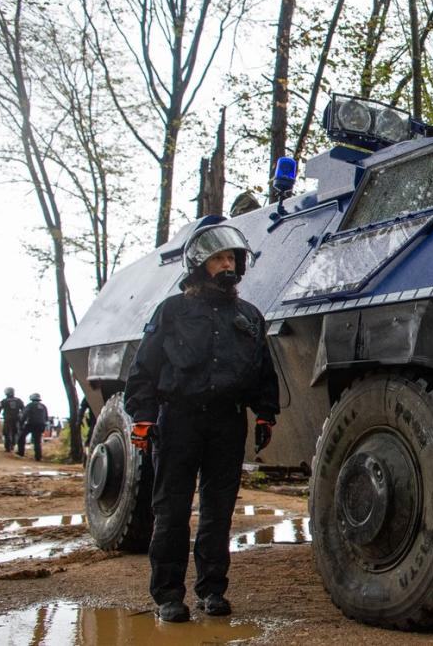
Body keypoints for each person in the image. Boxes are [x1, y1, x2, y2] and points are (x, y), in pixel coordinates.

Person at [124, 224, 279, 624]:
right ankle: (169, 595)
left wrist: (265, 412)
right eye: (218, 259)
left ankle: (212, 590)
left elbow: (264, 370)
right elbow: (144, 369)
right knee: (172, 509)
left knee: (218, 511)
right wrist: (142, 417)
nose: (226, 264)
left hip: (228, 423)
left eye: (231, 258)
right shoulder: (171, 312)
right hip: (178, 420)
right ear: (199, 265)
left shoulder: (250, 316)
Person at [18, 393, 48, 461]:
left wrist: (21, 424)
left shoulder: (30, 405)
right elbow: (46, 417)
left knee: (21, 437)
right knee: (37, 441)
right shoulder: (43, 406)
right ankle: (38, 457)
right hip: (41, 425)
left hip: (31, 424)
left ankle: (21, 452)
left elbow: (24, 415)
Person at [0, 387, 23, 453]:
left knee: (7, 433)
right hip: (16, 419)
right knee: (15, 432)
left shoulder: (4, 401)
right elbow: (23, 410)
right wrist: (21, 418)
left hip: (7, 419)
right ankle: (12, 445)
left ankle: (8, 448)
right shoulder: (18, 400)